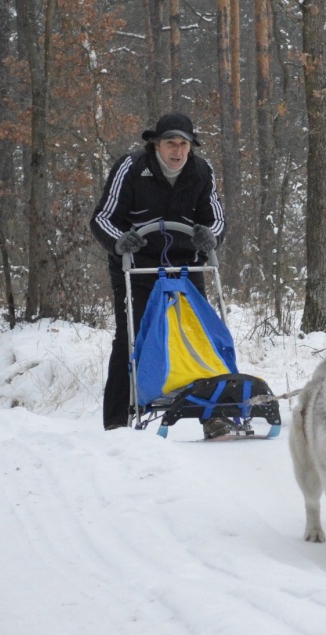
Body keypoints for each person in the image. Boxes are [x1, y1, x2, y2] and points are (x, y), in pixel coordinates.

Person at [90, 113, 231, 438]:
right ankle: (115, 424)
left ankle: (213, 415)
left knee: (199, 336)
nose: (177, 151)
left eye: (183, 144)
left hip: (186, 267)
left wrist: (210, 236)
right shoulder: (132, 168)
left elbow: (217, 218)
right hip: (136, 267)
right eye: (171, 143)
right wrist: (119, 241)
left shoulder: (201, 171)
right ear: (156, 144)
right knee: (131, 337)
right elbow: (103, 217)